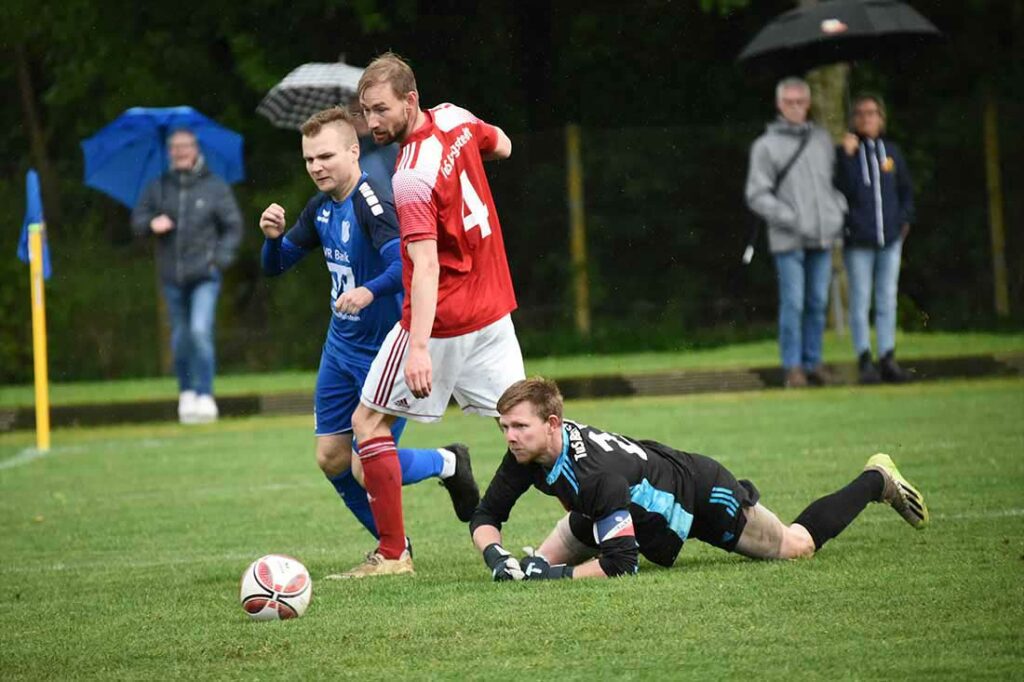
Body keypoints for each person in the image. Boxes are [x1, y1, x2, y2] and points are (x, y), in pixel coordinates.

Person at [257, 107, 480, 568]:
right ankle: (393, 539)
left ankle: (445, 466)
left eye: (325, 156)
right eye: (308, 160)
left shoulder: (373, 202)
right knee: (331, 458)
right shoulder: (320, 207)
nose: (316, 167)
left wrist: (368, 289)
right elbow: (275, 267)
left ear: (353, 152)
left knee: (365, 463)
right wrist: (273, 239)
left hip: (385, 351)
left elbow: (407, 268)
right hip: (340, 349)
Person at [340, 52, 526, 578]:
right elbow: (505, 145)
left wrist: (418, 345)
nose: (372, 122)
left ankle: (394, 555)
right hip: (494, 308)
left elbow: (423, 265)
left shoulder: (409, 176)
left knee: (368, 422)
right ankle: (599, 523)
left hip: (443, 319)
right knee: (528, 429)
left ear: (410, 100)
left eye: (381, 109)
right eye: (365, 111)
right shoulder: (456, 117)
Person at [471, 378, 929, 581]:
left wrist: (554, 575)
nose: (509, 437)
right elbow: (486, 515)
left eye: (519, 427)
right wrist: (497, 558)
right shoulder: (527, 453)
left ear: (553, 423)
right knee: (529, 568)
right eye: (504, 427)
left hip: (701, 495)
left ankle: (876, 479)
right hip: (631, 500)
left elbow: (621, 566)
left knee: (796, 546)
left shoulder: (597, 474)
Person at [131, 129, 243, 424]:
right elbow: (137, 220)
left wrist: (218, 260)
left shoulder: (215, 187)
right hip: (171, 277)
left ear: (195, 149)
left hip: (205, 275)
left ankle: (205, 394)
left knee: (199, 331)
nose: (180, 151)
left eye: (185, 146)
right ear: (169, 152)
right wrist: (152, 222)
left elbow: (233, 227)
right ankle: (187, 393)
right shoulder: (158, 188)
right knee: (180, 339)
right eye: (174, 147)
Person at [745, 77, 848, 389]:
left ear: (808, 104)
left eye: (800, 101)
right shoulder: (766, 146)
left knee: (817, 301)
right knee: (794, 303)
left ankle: (813, 361)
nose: (795, 107)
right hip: (788, 239)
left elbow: (831, 185)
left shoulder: (821, 140)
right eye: (789, 102)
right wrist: (790, 217)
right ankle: (792, 367)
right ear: (779, 105)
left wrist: (837, 210)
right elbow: (756, 194)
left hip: (822, 236)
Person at [836, 94, 915, 384]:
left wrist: (905, 219)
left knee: (887, 299)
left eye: (872, 113)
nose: (866, 118)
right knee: (860, 301)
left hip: (890, 240)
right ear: (853, 119)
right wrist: (846, 156)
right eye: (860, 113)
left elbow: (906, 190)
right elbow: (843, 190)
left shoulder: (891, 153)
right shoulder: (847, 153)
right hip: (858, 242)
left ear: (881, 118)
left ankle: (887, 356)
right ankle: (864, 357)